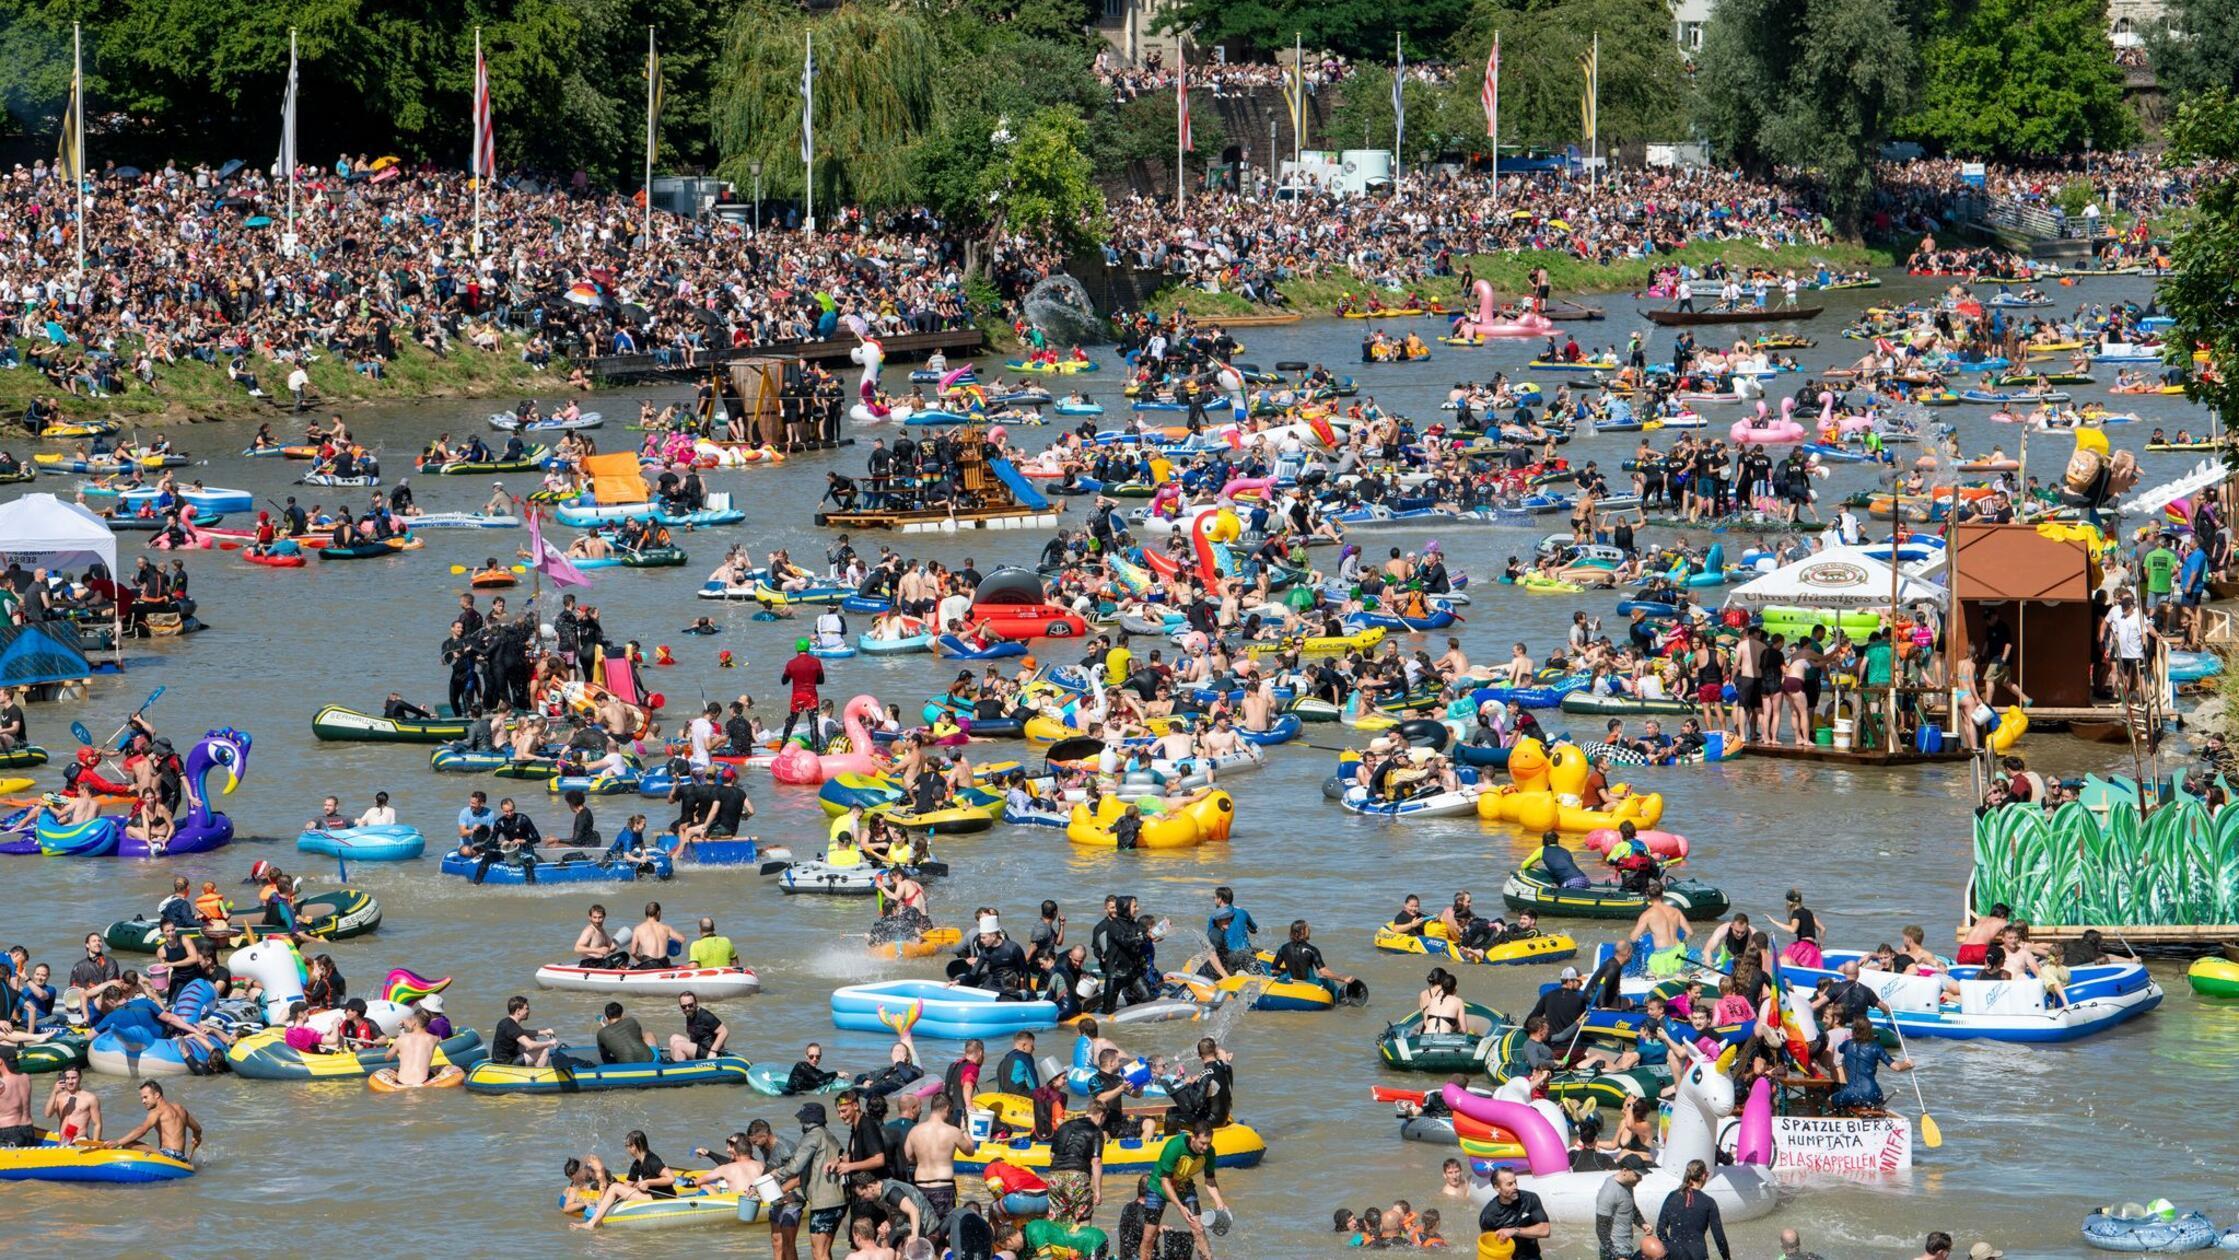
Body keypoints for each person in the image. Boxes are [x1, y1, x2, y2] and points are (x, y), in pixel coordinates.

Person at [766, 1102, 850, 1260]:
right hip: (838, 1200)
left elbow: (795, 1166)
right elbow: (811, 1173)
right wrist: (797, 1195)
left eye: (802, 1120)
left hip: (825, 1202)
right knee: (824, 1251)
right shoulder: (827, 1134)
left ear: (809, 1120)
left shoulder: (812, 1135)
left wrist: (776, 1173)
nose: (800, 1123)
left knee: (818, 1252)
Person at [1144, 1123, 1231, 1260]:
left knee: (1199, 1229)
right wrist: (1180, 1207)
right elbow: (1165, 1181)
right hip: (1158, 1188)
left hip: (1184, 1186)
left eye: (1209, 1143)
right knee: (1149, 1237)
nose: (1206, 1147)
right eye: (1202, 1143)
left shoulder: (1209, 1152)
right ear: (1193, 1138)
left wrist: (1219, 1202)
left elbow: (1210, 1180)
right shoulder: (1175, 1146)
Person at [574, 1129, 677, 1230]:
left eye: (628, 1146)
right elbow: (626, 1186)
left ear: (637, 1145)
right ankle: (599, 1218)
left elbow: (671, 1178)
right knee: (614, 1188)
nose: (627, 1149)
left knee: (614, 1187)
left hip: (662, 1197)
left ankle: (591, 1223)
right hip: (650, 1196)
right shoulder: (637, 1164)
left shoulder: (652, 1160)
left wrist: (648, 1182)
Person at [95, 1081, 201, 1162]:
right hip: (181, 1157)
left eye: (146, 1097)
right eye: (142, 1098)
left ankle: (108, 1147)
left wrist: (118, 1142)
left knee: (127, 1144)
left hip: (168, 1157)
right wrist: (196, 1137)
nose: (143, 1101)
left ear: (157, 1095)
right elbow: (198, 1129)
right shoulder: (180, 1108)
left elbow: (142, 1129)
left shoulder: (157, 1111)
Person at [1828, 1016, 1912, 1109]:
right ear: (1870, 1030)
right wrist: (1907, 1064)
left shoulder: (1847, 1044)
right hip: (1872, 1093)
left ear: (1853, 1030)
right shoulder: (1876, 1046)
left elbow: (1840, 1049)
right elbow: (1897, 1067)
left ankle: (1839, 1118)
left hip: (1850, 1093)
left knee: (1830, 1100)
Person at [1653, 1159, 1730, 1260]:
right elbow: (1719, 1237)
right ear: (1703, 1176)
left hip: (1675, 1255)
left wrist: (1669, 1248)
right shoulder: (1708, 1202)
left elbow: (1660, 1229)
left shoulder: (1672, 1196)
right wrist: (1727, 1258)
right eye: (1706, 1174)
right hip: (1698, 1255)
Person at [1595, 1155, 1666, 1260]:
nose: (1640, 1179)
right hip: (1613, 1252)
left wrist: (1642, 1223)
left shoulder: (1628, 1184)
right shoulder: (1609, 1192)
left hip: (1626, 1248)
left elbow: (1630, 1207)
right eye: (1637, 1175)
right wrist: (1617, 1256)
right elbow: (1601, 1230)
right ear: (1625, 1170)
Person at [1477, 1166, 1552, 1259]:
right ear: (1497, 1188)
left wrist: (1514, 1231)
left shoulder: (1530, 1199)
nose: (1515, 1187)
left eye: (1515, 1182)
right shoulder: (1489, 1215)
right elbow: (1489, 1247)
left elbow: (1545, 1230)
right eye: (1509, 1184)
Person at [492, 995, 558, 1068]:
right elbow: (530, 1045)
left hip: (499, 1061)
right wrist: (549, 1043)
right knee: (544, 1050)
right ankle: (538, 1075)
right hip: (506, 1064)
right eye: (526, 1009)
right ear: (518, 1011)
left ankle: (535, 1065)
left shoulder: (505, 1022)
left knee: (532, 1038)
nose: (528, 1011)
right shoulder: (511, 1026)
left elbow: (522, 1032)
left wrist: (544, 1032)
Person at [43, 1066, 101, 1141]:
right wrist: (54, 1092)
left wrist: (95, 1145)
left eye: (74, 1078)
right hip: (63, 1142)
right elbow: (47, 1114)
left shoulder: (90, 1098)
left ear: (80, 1077)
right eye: (67, 1078)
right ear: (63, 1079)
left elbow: (97, 1124)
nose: (70, 1081)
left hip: (80, 1140)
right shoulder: (58, 1097)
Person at [667, 990, 727, 1061]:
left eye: (690, 1005)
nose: (687, 1009)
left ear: (696, 1003)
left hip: (708, 1051)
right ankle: (674, 1063)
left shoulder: (705, 1016)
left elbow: (724, 1032)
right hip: (699, 1046)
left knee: (678, 1045)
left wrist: (713, 1051)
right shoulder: (689, 1015)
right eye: (683, 1006)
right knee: (674, 1038)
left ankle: (681, 1069)